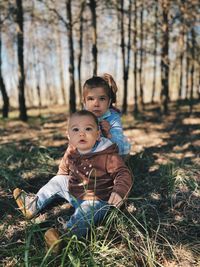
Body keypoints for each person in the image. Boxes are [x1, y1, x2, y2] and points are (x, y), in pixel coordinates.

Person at [13, 110, 132, 253]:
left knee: (87, 213)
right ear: (69, 136)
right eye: (76, 129)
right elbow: (65, 163)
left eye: (88, 129)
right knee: (58, 180)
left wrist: (119, 192)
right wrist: (59, 179)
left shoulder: (107, 154)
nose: (81, 133)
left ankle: (64, 237)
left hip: (97, 199)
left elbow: (123, 173)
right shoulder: (73, 149)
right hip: (74, 189)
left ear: (98, 134)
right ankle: (33, 205)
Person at [83, 73, 131, 157]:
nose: (96, 104)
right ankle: (64, 169)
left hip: (110, 156)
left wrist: (108, 135)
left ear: (109, 102)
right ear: (84, 102)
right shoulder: (82, 117)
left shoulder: (113, 118)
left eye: (102, 99)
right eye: (91, 99)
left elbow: (120, 147)